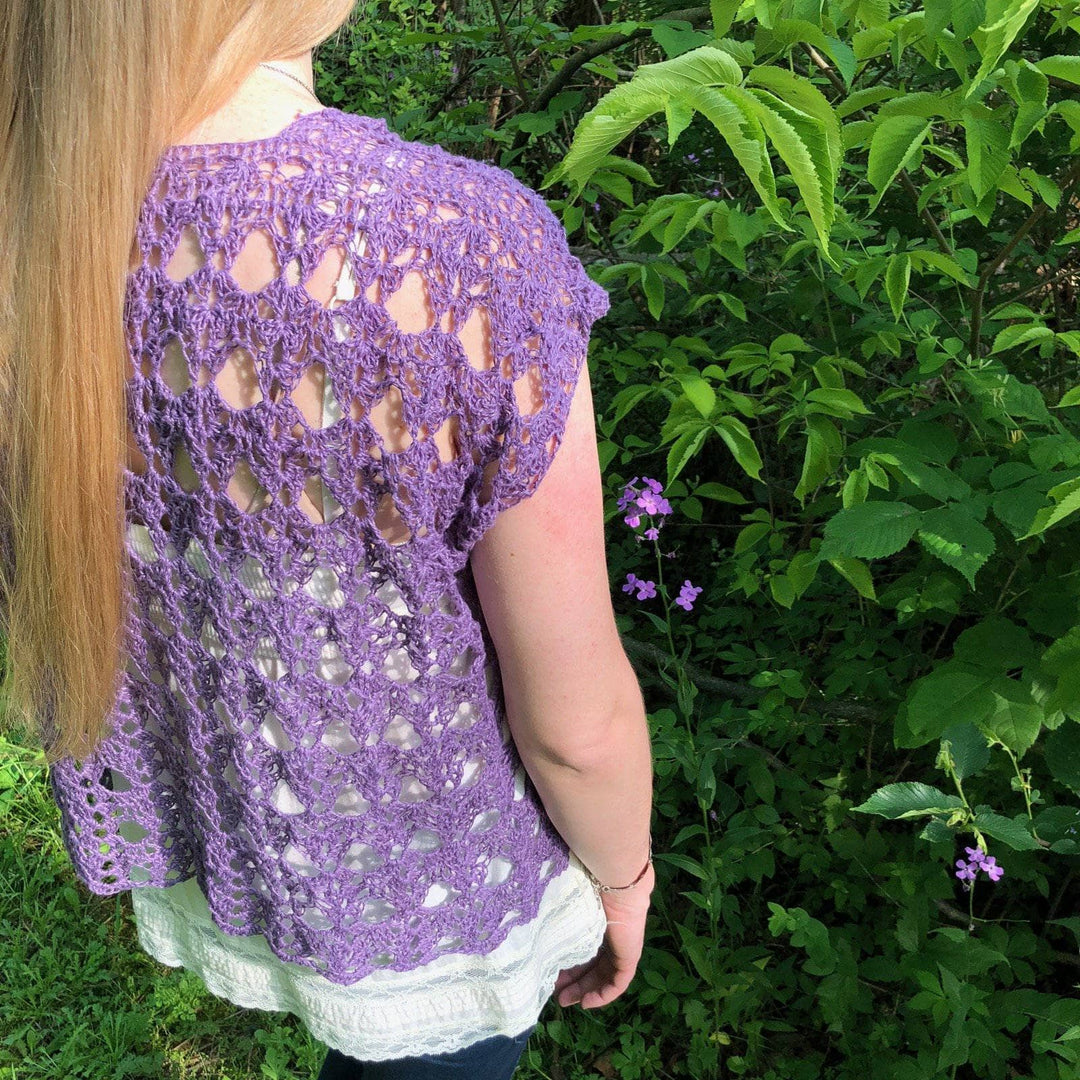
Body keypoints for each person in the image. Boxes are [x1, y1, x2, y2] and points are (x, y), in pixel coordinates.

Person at [0, 3, 655, 1078]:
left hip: (219, 817)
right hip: (436, 882)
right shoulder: (457, 251)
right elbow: (574, 725)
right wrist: (624, 878)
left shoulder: (37, 214)